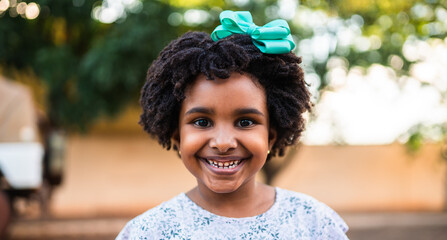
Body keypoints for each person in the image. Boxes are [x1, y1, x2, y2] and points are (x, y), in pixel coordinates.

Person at [116, 10, 348, 239]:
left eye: (245, 122)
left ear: (271, 136)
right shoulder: (149, 232)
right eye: (202, 122)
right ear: (177, 137)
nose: (223, 143)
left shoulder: (313, 223)